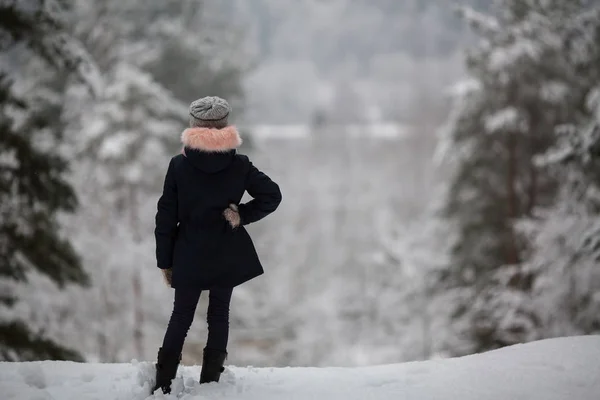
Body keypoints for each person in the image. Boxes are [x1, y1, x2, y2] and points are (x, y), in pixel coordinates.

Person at [152, 96, 282, 394]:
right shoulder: (240, 165)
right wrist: (241, 216)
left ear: (193, 125)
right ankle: (210, 383)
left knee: (181, 315)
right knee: (219, 312)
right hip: (226, 250)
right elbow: (272, 195)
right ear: (224, 125)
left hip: (188, 251)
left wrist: (164, 261)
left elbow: (165, 217)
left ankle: (163, 385)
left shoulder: (178, 167)